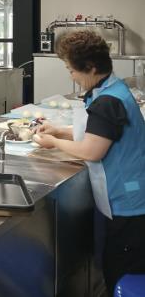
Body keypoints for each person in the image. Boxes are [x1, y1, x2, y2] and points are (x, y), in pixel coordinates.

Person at [33, 30, 145, 294]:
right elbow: (100, 132)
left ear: (91, 67)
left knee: (120, 270)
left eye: (72, 70)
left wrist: (53, 142)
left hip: (129, 202)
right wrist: (59, 131)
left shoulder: (108, 101)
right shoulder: (111, 89)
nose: (71, 76)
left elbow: (91, 150)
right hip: (128, 197)